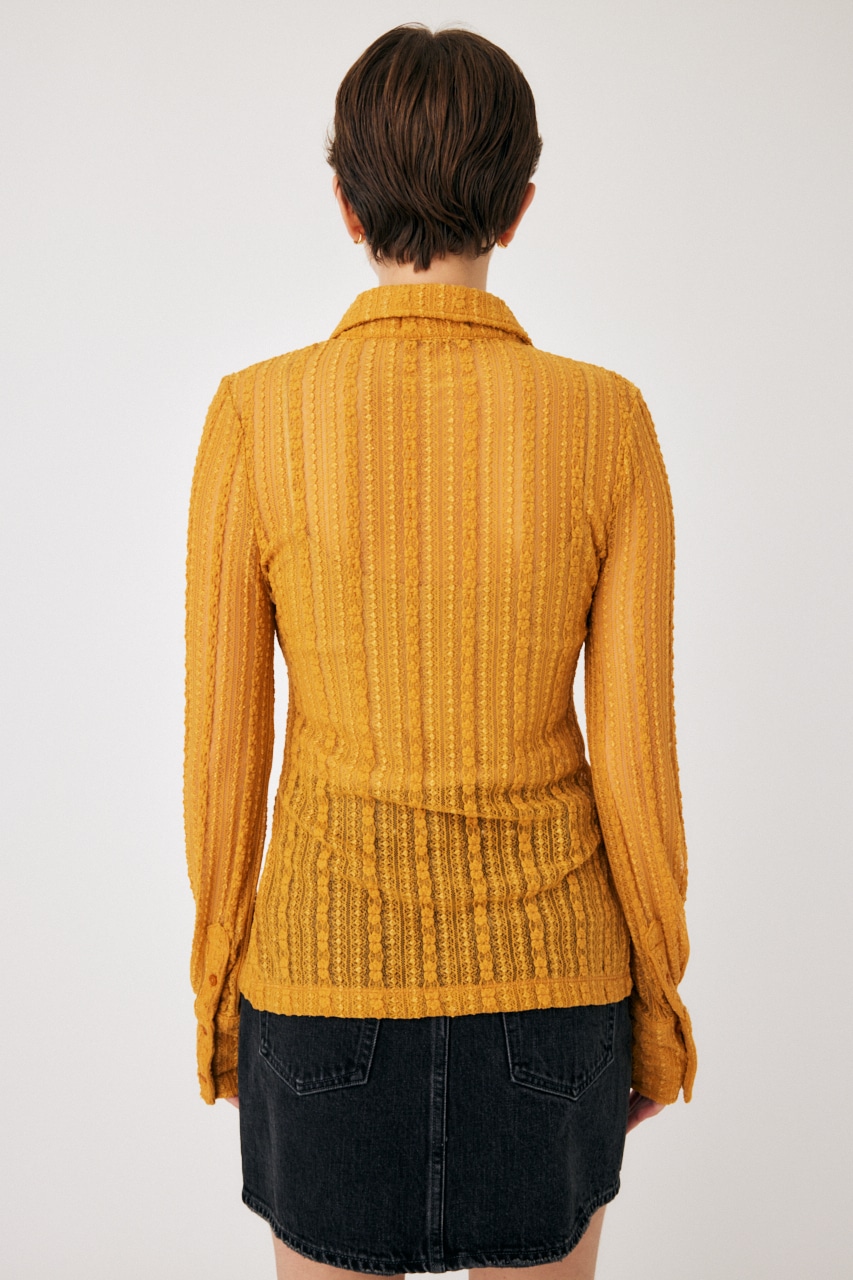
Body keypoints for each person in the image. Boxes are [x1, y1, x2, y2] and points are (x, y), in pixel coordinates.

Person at [183, 22, 697, 1280]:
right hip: (554, 995)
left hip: (320, 991)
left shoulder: (255, 415)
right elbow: (638, 761)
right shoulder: (606, 420)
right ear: (518, 206)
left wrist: (221, 1003)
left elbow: (221, 754)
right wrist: (656, 1012)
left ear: (345, 203)